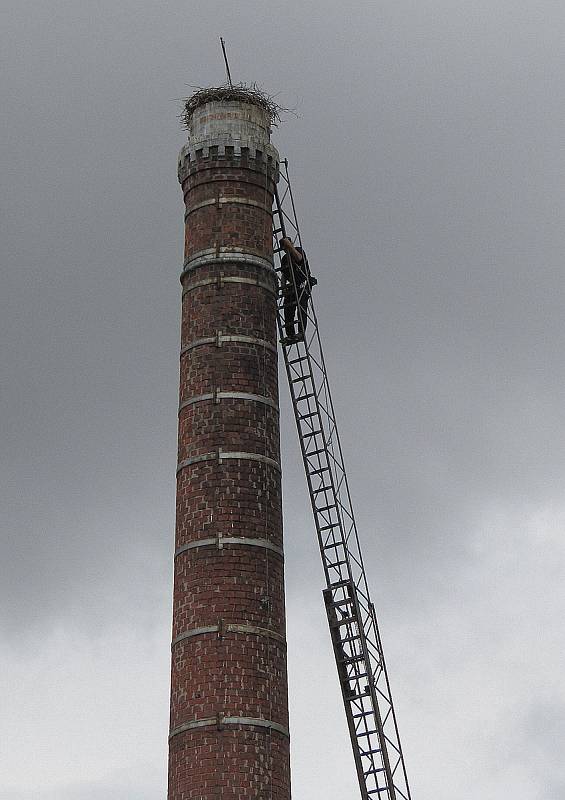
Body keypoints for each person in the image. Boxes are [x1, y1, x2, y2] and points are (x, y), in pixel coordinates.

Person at [280, 237, 317, 343]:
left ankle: (301, 333)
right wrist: (283, 288)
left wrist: (290, 247)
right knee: (288, 310)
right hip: (292, 285)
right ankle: (290, 335)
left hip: (303, 283)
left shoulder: (299, 250)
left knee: (301, 307)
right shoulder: (284, 259)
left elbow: (299, 259)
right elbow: (283, 274)